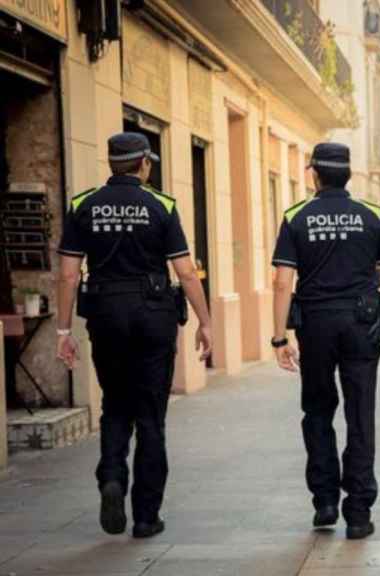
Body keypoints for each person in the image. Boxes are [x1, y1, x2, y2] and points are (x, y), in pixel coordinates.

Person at [55, 132, 213, 539]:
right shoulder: (161, 205)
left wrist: (61, 330)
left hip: (105, 313)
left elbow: (69, 274)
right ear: (144, 163)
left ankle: (111, 477)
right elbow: (185, 271)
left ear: (111, 163)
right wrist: (205, 322)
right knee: (151, 417)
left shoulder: (82, 205)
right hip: (153, 315)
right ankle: (146, 516)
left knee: (115, 406)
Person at [271, 142, 380, 539]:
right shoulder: (372, 215)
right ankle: (360, 512)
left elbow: (283, 281)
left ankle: (325, 501)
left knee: (317, 411)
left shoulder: (296, 217)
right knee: (359, 414)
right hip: (362, 324)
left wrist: (279, 337)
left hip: (314, 325)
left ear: (314, 174)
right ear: (348, 174)